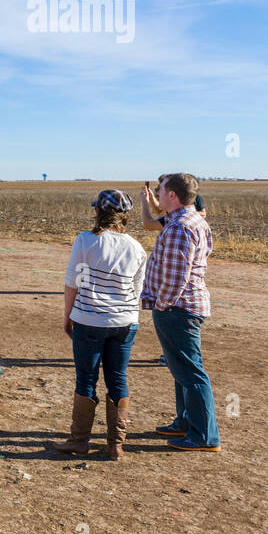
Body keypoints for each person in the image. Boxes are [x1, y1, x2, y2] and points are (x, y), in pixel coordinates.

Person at [54, 190, 147, 459]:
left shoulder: (85, 241)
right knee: (118, 378)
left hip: (90, 319)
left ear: (98, 211)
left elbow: (73, 282)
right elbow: (136, 290)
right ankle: (115, 444)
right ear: (125, 216)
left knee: (87, 377)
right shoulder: (137, 248)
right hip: (126, 321)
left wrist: (68, 316)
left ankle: (79, 440)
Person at [142, 173, 219, 452]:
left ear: (172, 195)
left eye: (161, 190)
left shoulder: (179, 228)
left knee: (190, 372)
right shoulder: (193, 220)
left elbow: (176, 278)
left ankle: (203, 436)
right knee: (181, 370)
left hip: (178, 308)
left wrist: (163, 305)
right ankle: (185, 422)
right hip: (186, 305)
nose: (157, 195)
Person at [141, 174, 206, 230]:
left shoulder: (176, 225)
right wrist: (151, 198)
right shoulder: (198, 222)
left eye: (161, 188)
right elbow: (160, 212)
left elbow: (148, 224)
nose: (157, 193)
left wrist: (145, 201)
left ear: (172, 194)